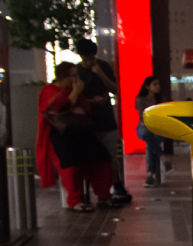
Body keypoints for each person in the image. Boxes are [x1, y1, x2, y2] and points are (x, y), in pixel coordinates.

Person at [37, 62, 114, 211]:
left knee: (102, 159)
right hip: (61, 134)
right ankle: (75, 200)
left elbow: (82, 108)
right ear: (63, 77)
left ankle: (104, 196)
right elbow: (57, 108)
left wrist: (77, 103)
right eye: (73, 75)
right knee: (71, 166)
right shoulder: (50, 90)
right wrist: (74, 95)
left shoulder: (74, 90)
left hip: (81, 131)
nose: (77, 79)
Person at [75, 38, 131, 204]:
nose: (88, 62)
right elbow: (76, 93)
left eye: (91, 58)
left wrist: (99, 72)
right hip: (86, 121)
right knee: (87, 157)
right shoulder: (77, 71)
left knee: (112, 155)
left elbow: (115, 89)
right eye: (85, 59)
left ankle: (117, 186)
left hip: (106, 119)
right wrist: (89, 101)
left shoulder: (103, 66)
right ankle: (88, 191)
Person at [135, 76, 166, 187]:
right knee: (150, 136)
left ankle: (150, 176)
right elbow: (143, 117)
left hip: (158, 128)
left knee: (151, 143)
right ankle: (161, 156)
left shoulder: (161, 99)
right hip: (145, 127)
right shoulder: (140, 99)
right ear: (147, 87)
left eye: (158, 84)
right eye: (155, 84)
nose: (158, 86)